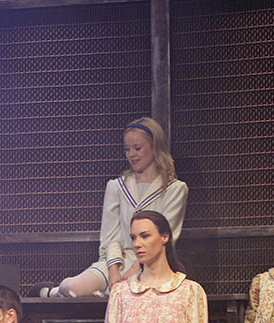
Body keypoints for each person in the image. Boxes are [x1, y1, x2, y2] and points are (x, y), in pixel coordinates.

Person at [42, 117, 188, 297]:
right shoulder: (117, 186)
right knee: (70, 287)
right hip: (116, 261)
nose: (131, 155)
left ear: (155, 147)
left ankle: (102, 294)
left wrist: (132, 272)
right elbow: (111, 238)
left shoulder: (174, 189)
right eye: (127, 149)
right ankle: (51, 292)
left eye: (137, 148)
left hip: (150, 264)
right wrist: (114, 273)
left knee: (131, 292)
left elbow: (167, 237)